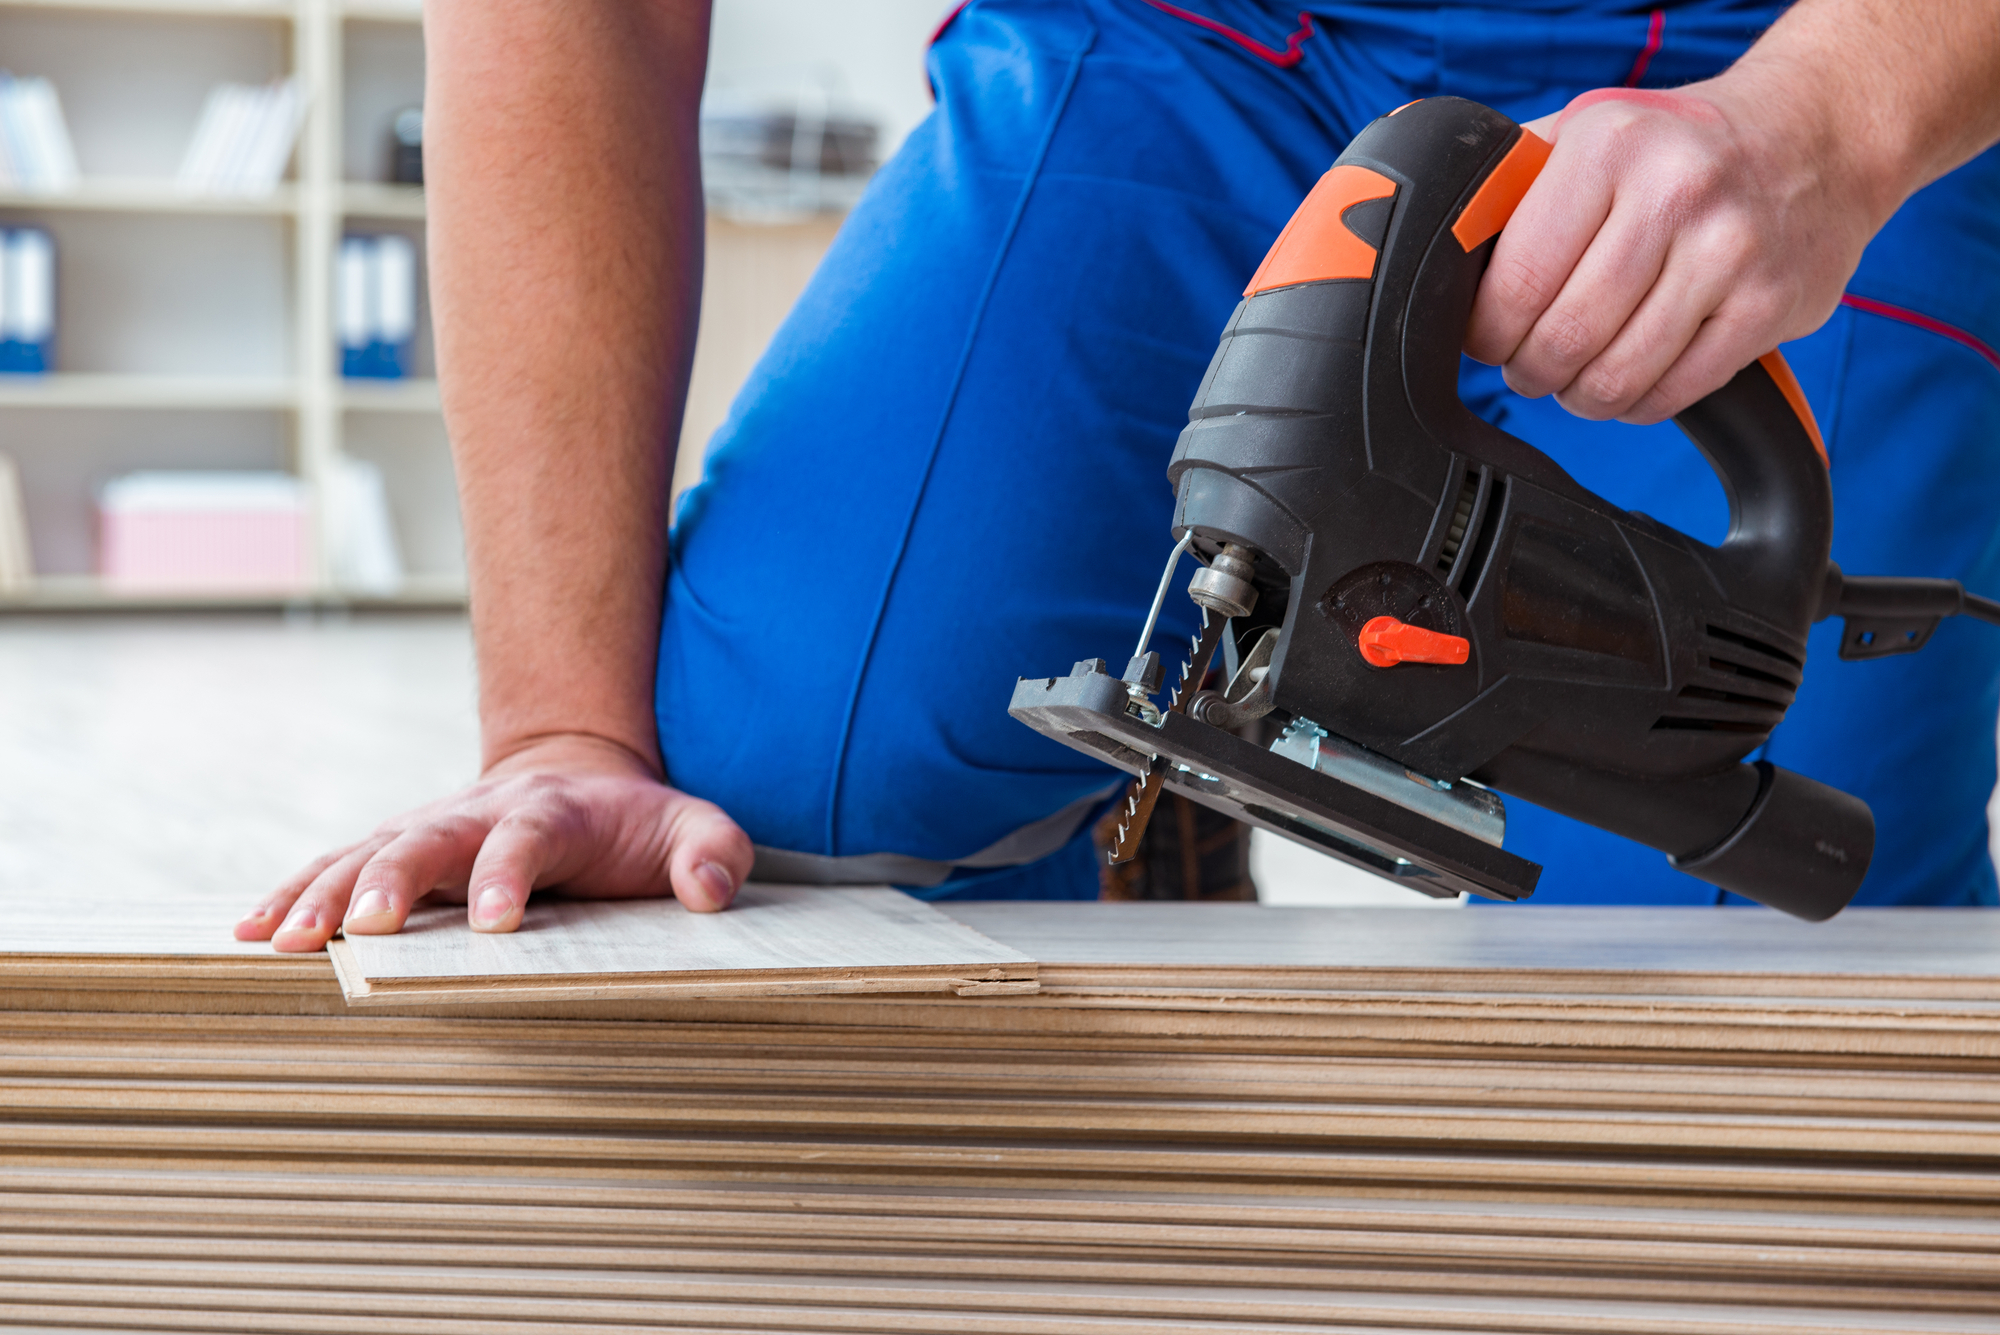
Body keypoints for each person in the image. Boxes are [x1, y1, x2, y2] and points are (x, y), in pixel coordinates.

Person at [237, 0, 2000, 952]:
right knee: (784, 795)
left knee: (1749, 949)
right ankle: (1163, 809)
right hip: (1195, 35)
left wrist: (1829, 127)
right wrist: (561, 729)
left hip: (1798, 49)